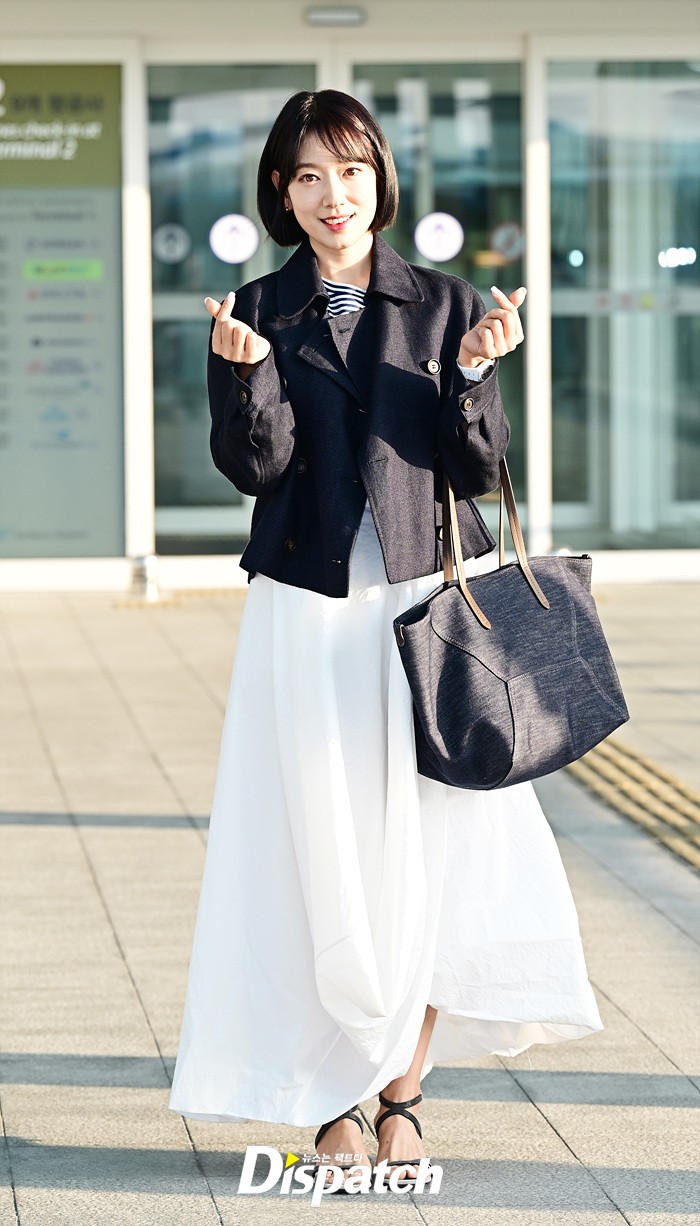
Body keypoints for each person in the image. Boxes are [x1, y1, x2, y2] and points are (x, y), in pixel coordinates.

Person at [168, 88, 603, 1193]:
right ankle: (332, 1101)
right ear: (281, 192)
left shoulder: (445, 302)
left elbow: (477, 467)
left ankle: (401, 1096)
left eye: (352, 172)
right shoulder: (256, 306)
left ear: (379, 182)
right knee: (321, 847)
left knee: (431, 849)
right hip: (307, 609)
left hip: (424, 608)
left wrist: (476, 374)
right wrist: (247, 372)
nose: (335, 196)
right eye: (310, 176)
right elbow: (254, 468)